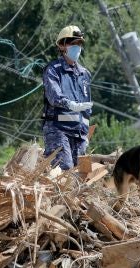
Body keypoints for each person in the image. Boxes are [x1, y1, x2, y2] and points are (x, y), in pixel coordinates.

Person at [42, 25, 93, 170]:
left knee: (79, 176)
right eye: (72, 43)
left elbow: (87, 108)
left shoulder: (84, 74)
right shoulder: (53, 69)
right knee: (64, 172)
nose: (77, 47)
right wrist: (70, 104)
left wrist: (86, 131)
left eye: (79, 44)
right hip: (58, 129)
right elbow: (54, 96)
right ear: (62, 45)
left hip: (79, 133)